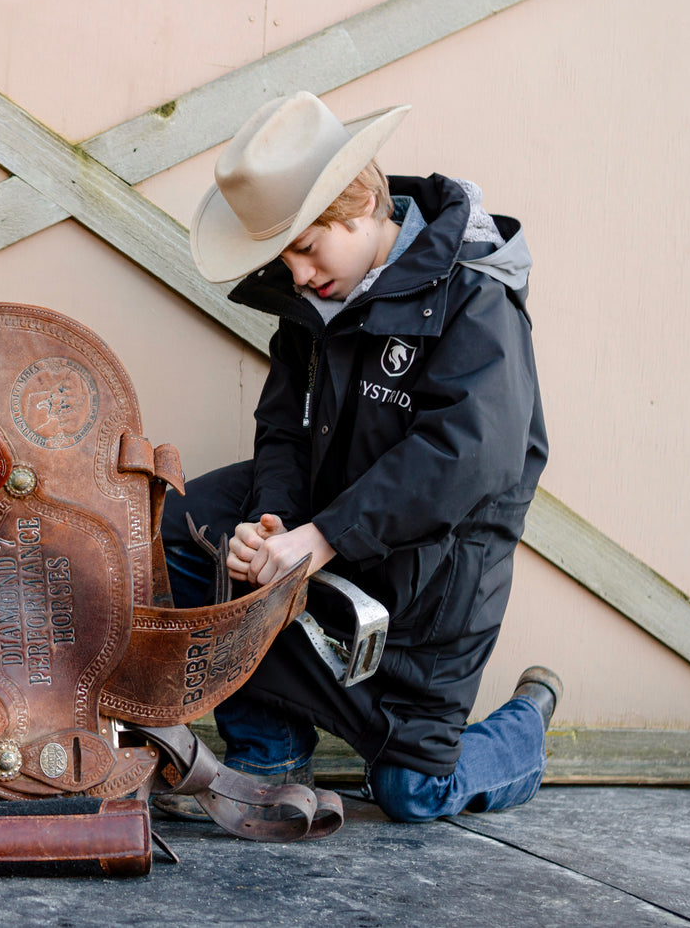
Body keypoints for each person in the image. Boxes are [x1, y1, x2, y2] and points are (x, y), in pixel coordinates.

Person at [162, 91, 558, 823]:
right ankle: (271, 754)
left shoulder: (475, 293)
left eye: (307, 248)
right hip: (325, 537)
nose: (299, 273)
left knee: (411, 795)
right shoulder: (310, 300)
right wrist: (273, 521)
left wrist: (325, 538)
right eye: (281, 257)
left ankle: (526, 726)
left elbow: (468, 455)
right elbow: (282, 430)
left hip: (433, 578)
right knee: (174, 528)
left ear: (364, 203)